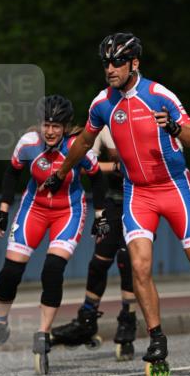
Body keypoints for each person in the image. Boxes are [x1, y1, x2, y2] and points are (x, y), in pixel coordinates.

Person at [41, 32, 190, 376]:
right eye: (106, 62)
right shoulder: (102, 104)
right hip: (138, 192)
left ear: (134, 63)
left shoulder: (158, 95)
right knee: (139, 266)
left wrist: (174, 127)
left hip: (174, 187)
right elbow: (85, 141)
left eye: (117, 62)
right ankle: (156, 341)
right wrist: (62, 171)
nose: (110, 68)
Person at [0, 95, 108, 375]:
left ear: (67, 127)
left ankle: (43, 333)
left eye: (57, 125)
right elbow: (12, 173)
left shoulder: (77, 146)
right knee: (10, 272)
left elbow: (97, 178)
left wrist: (101, 216)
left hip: (68, 211)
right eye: (47, 124)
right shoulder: (29, 144)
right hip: (34, 208)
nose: (51, 131)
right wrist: (3, 210)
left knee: (52, 270)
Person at [50, 124, 139, 360]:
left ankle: (127, 320)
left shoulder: (150, 116)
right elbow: (82, 163)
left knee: (126, 259)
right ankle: (87, 319)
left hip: (142, 200)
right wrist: (116, 166)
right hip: (114, 200)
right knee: (99, 262)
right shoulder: (104, 125)